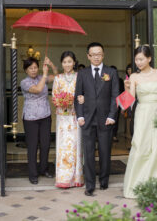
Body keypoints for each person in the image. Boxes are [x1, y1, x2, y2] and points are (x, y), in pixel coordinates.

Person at [123, 45, 157, 198]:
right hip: (143, 113)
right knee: (141, 145)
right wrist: (126, 89)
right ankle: (138, 183)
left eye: (141, 59)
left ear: (149, 58)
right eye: (136, 59)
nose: (138, 62)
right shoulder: (134, 77)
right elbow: (129, 101)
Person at [74, 42, 119, 196]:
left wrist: (112, 116)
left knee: (105, 151)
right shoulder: (82, 74)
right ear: (88, 56)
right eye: (93, 54)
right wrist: (79, 116)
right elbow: (78, 96)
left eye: (99, 54)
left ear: (103, 54)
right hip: (87, 119)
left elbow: (115, 97)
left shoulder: (111, 72)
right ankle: (90, 184)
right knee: (88, 153)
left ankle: (104, 181)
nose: (96, 57)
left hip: (105, 118)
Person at [21, 56, 58, 184]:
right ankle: (33, 174)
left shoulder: (41, 77)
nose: (33, 70)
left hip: (45, 116)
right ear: (26, 70)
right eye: (30, 68)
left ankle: (44, 169)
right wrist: (44, 75)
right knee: (32, 146)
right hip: (30, 118)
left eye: (36, 67)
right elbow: (37, 90)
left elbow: (58, 77)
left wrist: (51, 64)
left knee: (45, 144)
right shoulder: (24, 82)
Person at [52, 51, 84, 188]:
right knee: (63, 146)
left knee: (75, 146)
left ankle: (76, 177)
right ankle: (63, 178)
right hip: (62, 118)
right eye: (64, 62)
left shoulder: (79, 77)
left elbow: (83, 94)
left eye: (69, 61)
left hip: (75, 116)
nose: (67, 64)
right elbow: (54, 96)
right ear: (62, 63)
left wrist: (78, 100)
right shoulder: (58, 78)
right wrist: (61, 101)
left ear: (74, 63)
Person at [110, 65, 124, 142]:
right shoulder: (106, 79)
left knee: (116, 119)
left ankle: (114, 135)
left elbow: (122, 92)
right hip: (107, 103)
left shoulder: (120, 80)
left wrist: (122, 106)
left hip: (117, 102)